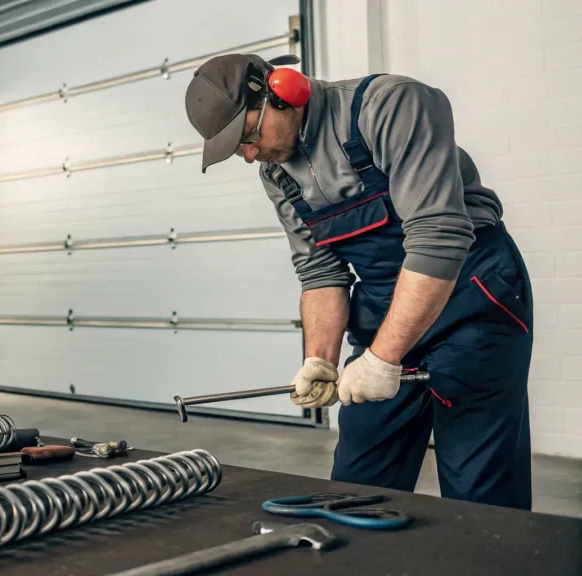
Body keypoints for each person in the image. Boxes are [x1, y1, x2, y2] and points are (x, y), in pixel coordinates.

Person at [184, 54, 533, 510]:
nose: (249, 155)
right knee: (355, 487)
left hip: (473, 297)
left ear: (284, 92)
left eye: (248, 136)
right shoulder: (276, 170)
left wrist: (382, 360)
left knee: (479, 492)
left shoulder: (389, 107)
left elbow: (438, 237)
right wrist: (320, 361)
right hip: (386, 307)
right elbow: (320, 271)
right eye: (237, 150)